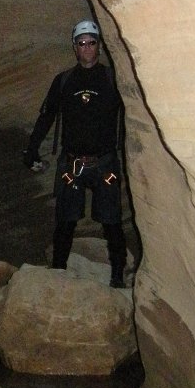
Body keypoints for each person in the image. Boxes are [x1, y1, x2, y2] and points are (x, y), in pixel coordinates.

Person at [23, 19, 127, 288]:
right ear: (74, 47)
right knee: (65, 222)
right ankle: (58, 271)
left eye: (92, 43)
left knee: (112, 222)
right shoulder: (64, 81)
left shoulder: (112, 79)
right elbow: (47, 116)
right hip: (73, 165)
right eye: (82, 43)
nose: (87, 48)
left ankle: (117, 277)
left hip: (105, 164)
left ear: (100, 46)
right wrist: (32, 148)